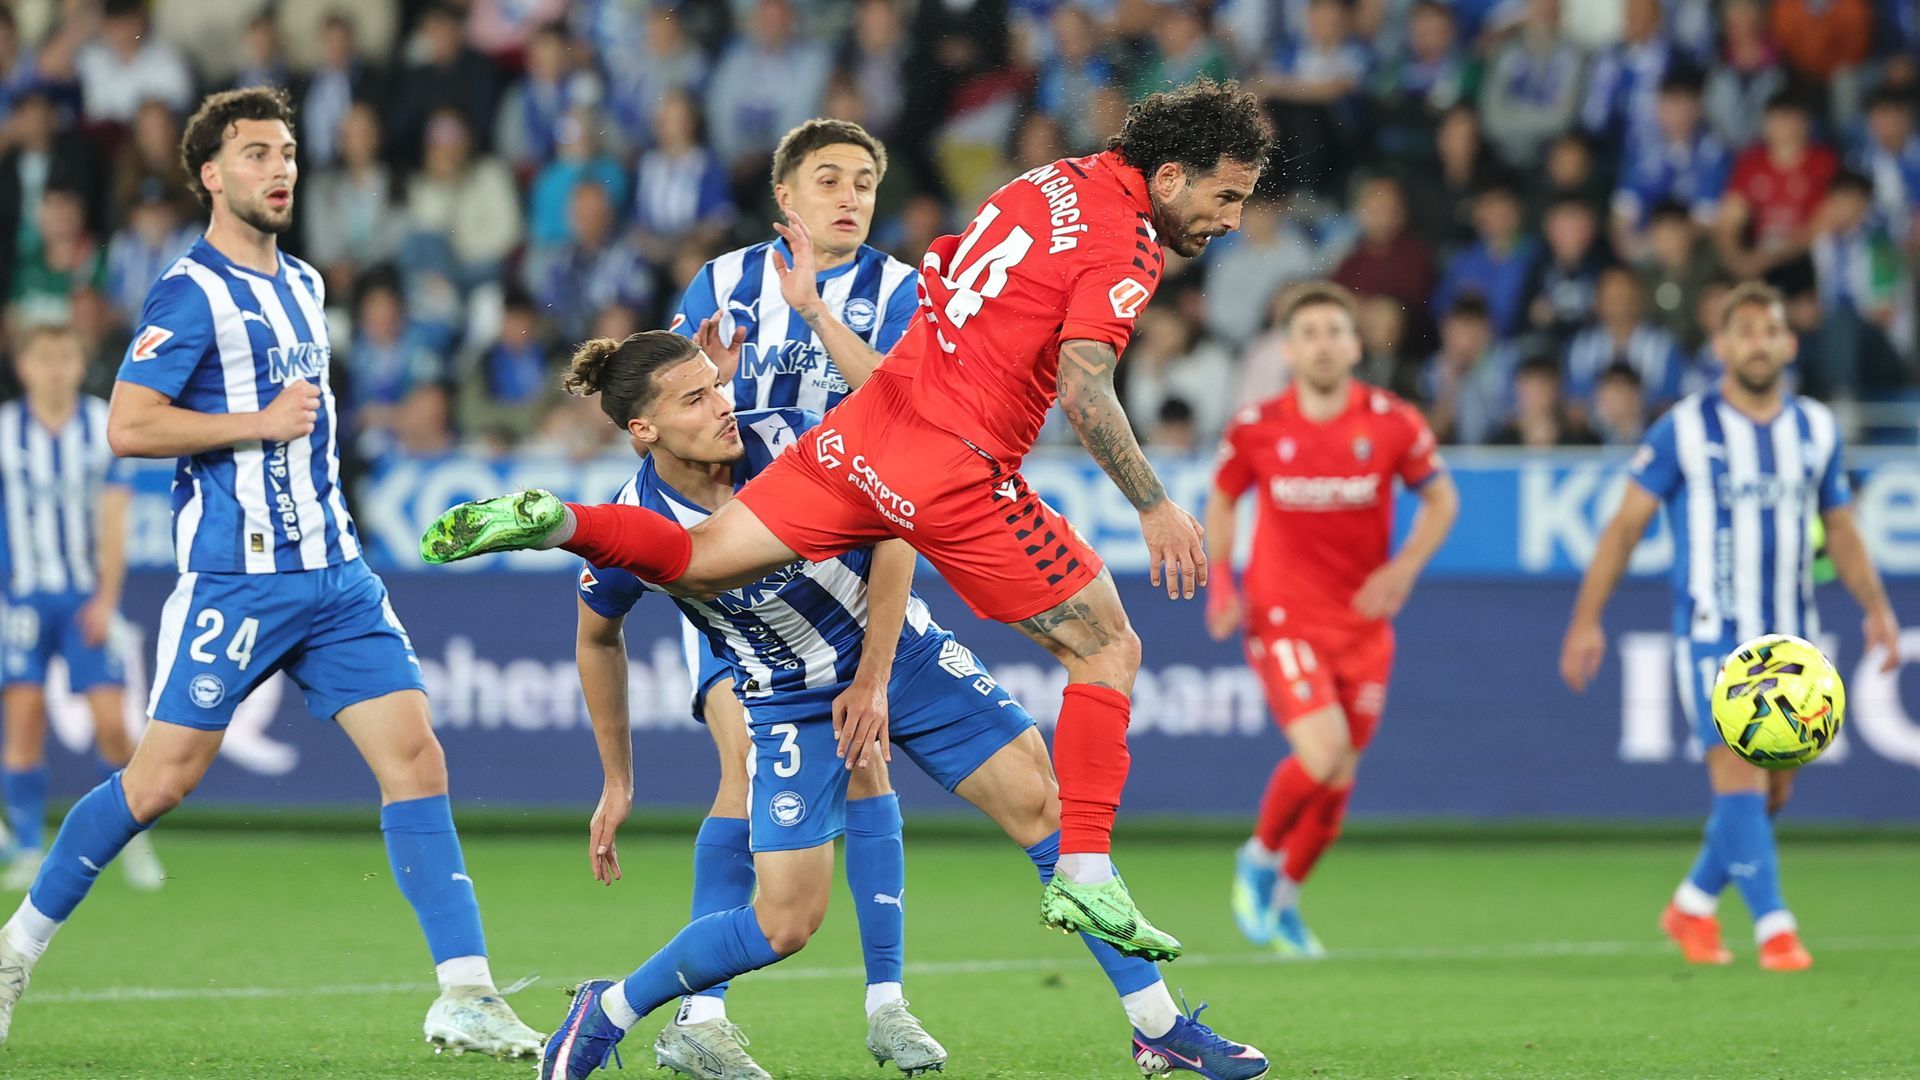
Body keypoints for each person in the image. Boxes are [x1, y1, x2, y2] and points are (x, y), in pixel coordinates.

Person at [421, 78, 1275, 960]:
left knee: (704, 558)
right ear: (1169, 176)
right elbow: (1084, 385)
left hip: (868, 424)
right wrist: (1154, 504)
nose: (1234, 219)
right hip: (955, 465)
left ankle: (564, 521)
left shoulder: (1051, 179)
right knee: (1107, 648)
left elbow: (952, 270)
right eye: (1228, 196)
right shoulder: (1128, 242)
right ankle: (1088, 873)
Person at [544, 331, 1268, 1080]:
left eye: (715, 384)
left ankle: (1157, 1026)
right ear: (643, 430)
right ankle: (609, 1008)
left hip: (907, 658)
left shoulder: (790, 437)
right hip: (789, 703)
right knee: (784, 925)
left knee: (1046, 811)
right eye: (695, 398)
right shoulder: (632, 526)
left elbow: (897, 526)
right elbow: (598, 641)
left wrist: (874, 678)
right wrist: (618, 779)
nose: (723, 404)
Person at [0, 88, 542, 1055]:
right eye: (255, 153)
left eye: (287, 151)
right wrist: (252, 422)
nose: (280, 168)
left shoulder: (304, 282)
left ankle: (465, 989)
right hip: (235, 580)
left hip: (336, 577)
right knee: (160, 779)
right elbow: (128, 425)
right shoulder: (187, 292)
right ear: (211, 175)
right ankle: (14, 952)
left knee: (417, 756)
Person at [625, 117, 930, 1080]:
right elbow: (657, 414)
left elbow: (915, 418)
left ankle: (887, 1003)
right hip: (734, 570)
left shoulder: (900, 290)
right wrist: (705, 369)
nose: (849, 195)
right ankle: (701, 1017)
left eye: (865, 182)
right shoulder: (719, 283)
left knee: (869, 758)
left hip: (850, 561)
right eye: (828, 178)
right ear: (784, 197)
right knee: (743, 769)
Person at [1559, 281, 1900, 972]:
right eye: (1741, 330)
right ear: (1720, 346)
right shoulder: (1682, 427)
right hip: (1715, 636)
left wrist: (1877, 608)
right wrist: (1586, 620)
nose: (1755, 342)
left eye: (1767, 330)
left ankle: (1690, 906)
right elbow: (1626, 527)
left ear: (1787, 342)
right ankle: (1777, 930)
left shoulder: (1816, 428)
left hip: (1795, 642)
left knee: (1771, 790)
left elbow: (1841, 528)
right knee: (1739, 774)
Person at [1207, 283, 1458, 956]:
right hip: (1283, 617)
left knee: (1339, 777)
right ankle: (1258, 858)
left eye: (1334, 332)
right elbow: (1224, 499)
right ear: (1288, 349)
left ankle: (1286, 900)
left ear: (1356, 344)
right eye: (1308, 333)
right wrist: (1221, 586)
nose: (1322, 344)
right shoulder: (1258, 426)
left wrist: (1402, 570)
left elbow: (1442, 501)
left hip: (1363, 627)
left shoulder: (1392, 421)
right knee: (1319, 754)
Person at [0, 325, 161, 894]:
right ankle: (25, 846)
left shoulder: (100, 426)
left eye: (65, 357)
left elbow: (114, 518)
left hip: (86, 599)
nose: (54, 369)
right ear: (24, 367)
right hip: (22, 598)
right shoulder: (5, 432)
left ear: (79, 364)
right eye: (44, 358)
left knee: (112, 726)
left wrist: (107, 598)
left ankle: (133, 835)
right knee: (21, 724)